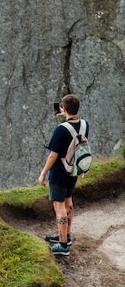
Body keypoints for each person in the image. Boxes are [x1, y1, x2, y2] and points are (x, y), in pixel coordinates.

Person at [38, 94, 89, 256]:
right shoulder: (84, 125)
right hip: (73, 170)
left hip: (60, 172)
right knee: (68, 202)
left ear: (64, 109)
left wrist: (42, 174)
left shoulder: (60, 130)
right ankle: (66, 235)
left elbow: (53, 155)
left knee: (59, 206)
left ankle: (63, 246)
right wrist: (67, 115)